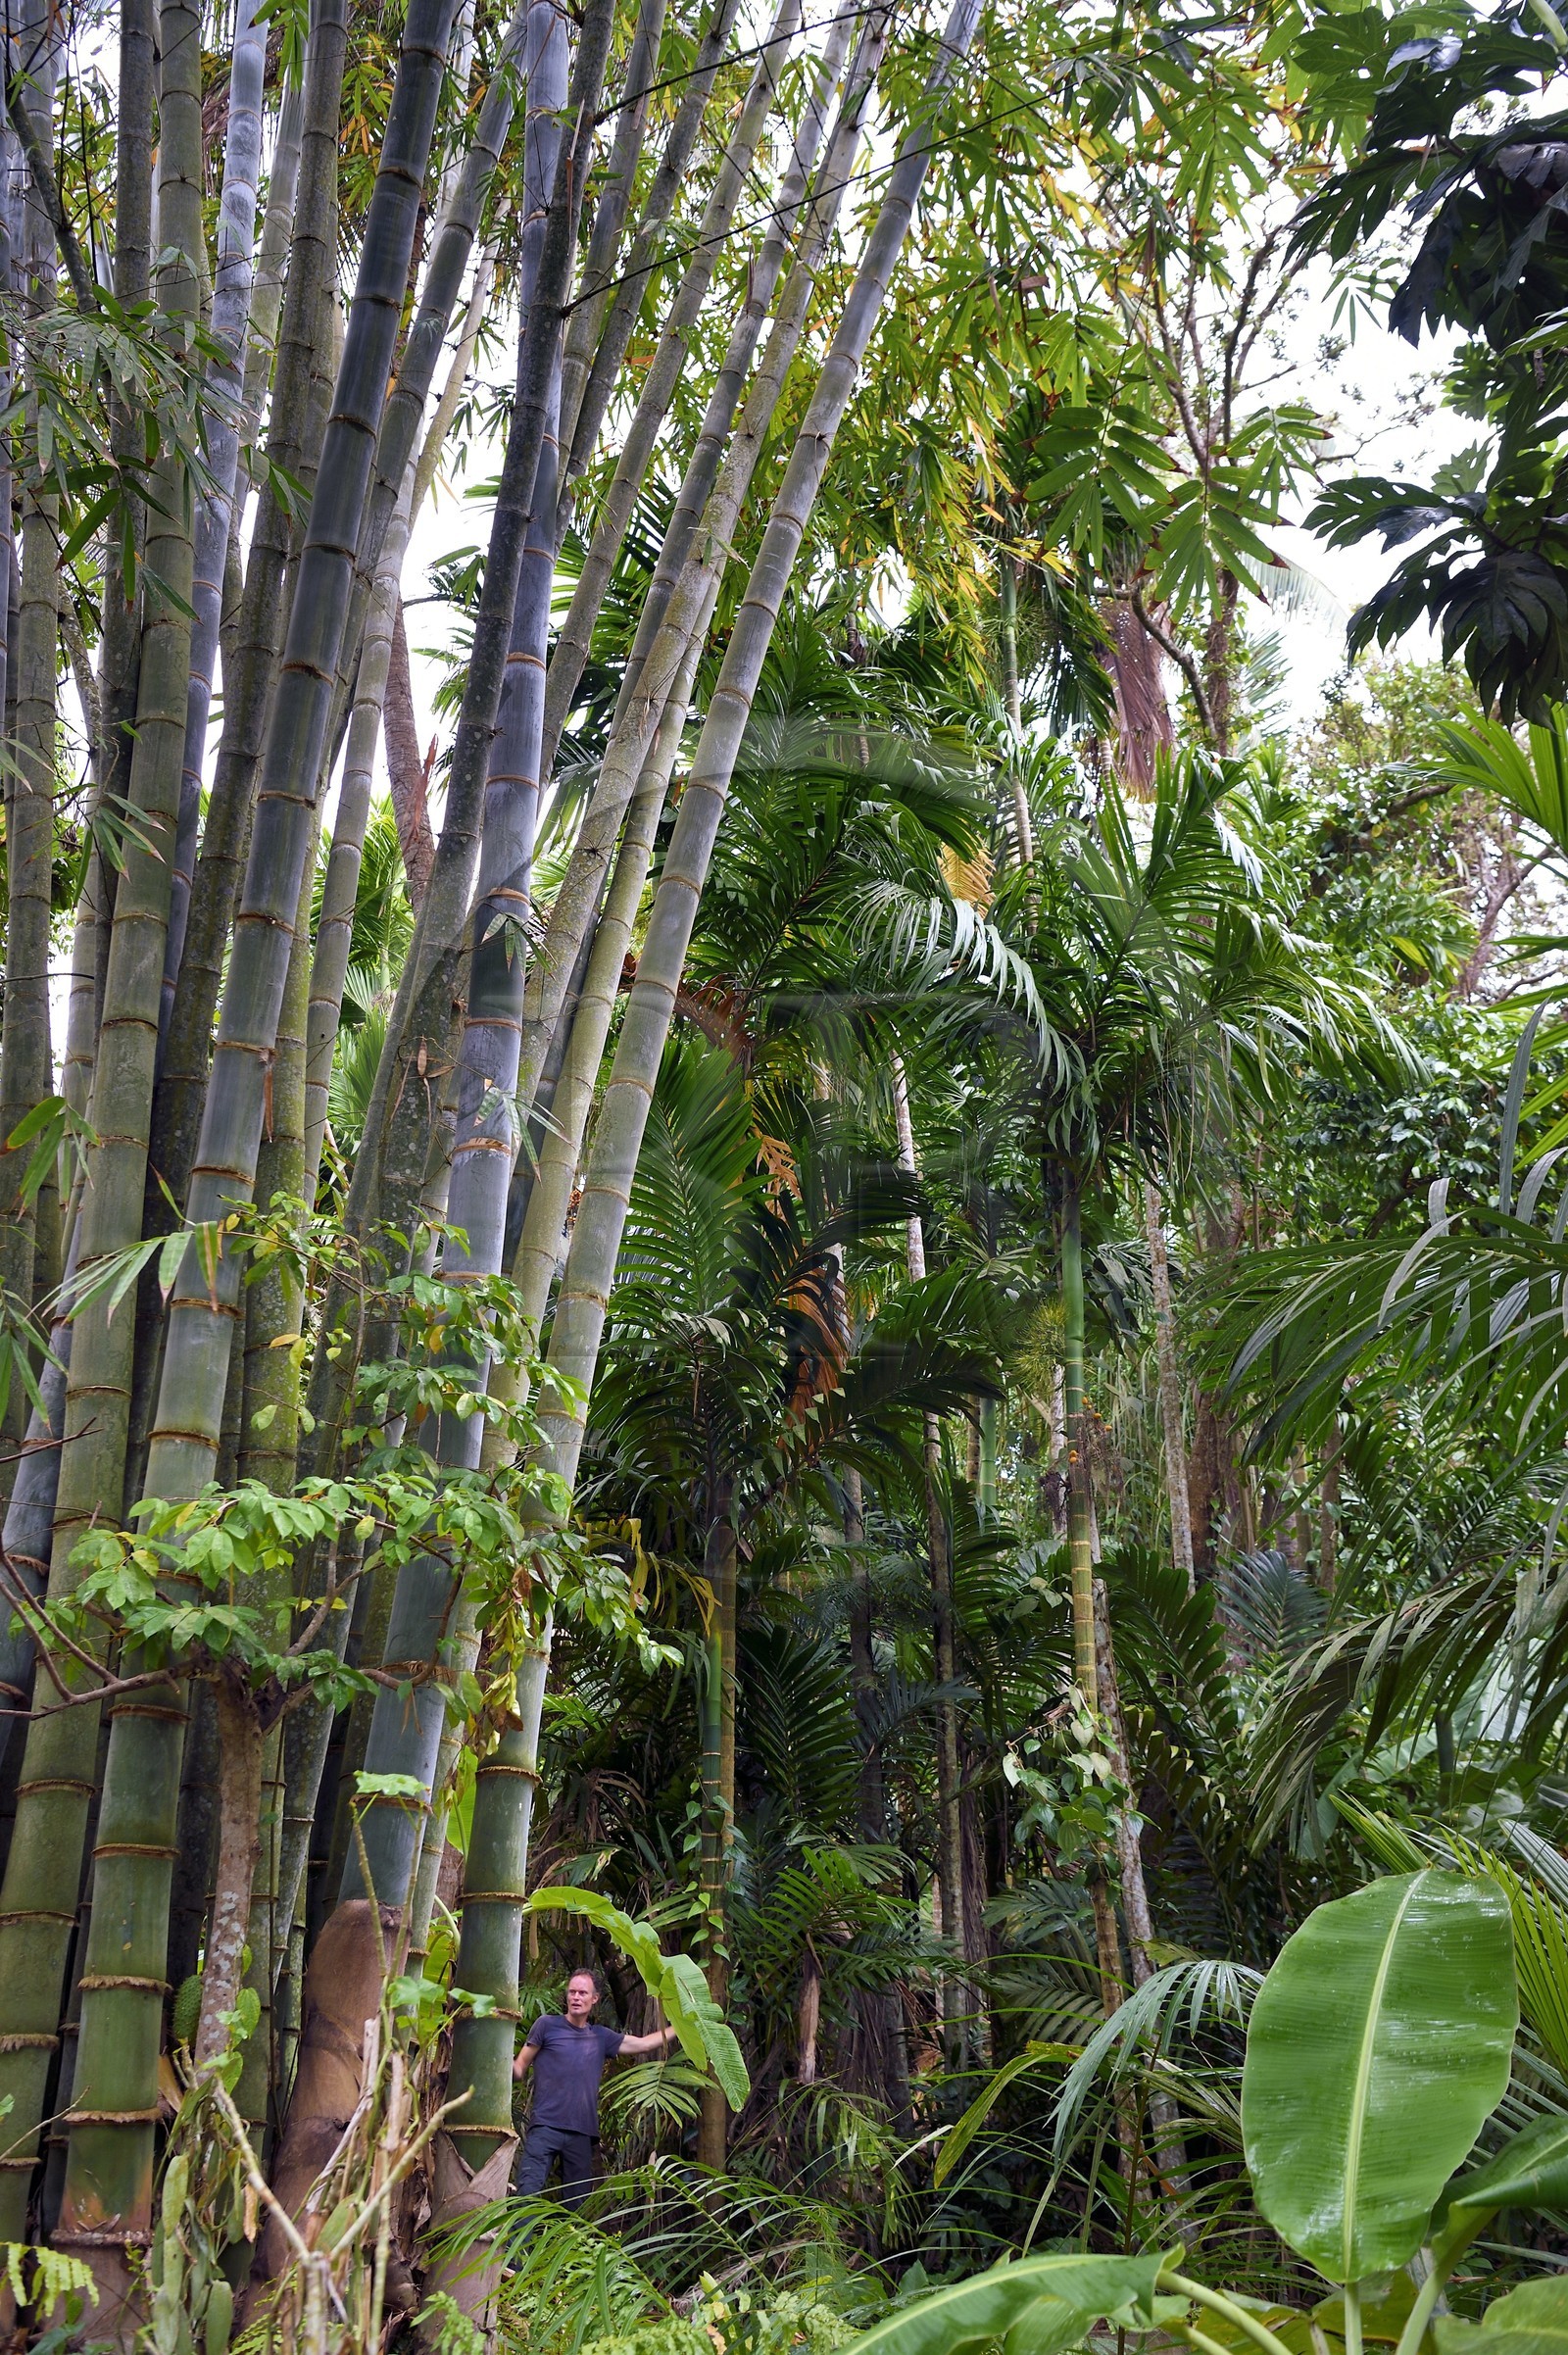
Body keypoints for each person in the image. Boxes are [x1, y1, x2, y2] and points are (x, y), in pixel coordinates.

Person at [512, 1966, 678, 2206]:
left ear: (595, 1999)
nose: (576, 1998)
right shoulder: (547, 2025)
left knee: (577, 2206)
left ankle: (569, 2244)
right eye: (572, 1993)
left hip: (581, 2133)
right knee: (527, 2195)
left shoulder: (601, 2037)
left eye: (582, 1993)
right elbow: (519, 2067)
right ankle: (521, 2244)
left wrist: (681, 2028)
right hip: (545, 2127)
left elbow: (642, 2044)